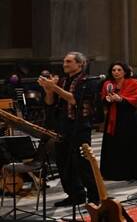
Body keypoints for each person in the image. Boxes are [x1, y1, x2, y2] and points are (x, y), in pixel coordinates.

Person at [38, 52, 100, 206]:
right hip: (62, 126)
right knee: (64, 163)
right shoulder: (62, 81)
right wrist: (49, 91)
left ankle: (95, 197)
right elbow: (50, 103)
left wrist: (54, 87)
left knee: (83, 163)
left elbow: (74, 100)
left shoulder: (88, 81)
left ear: (80, 64)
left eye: (69, 61)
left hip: (80, 127)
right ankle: (75, 195)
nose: (64, 64)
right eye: (64, 61)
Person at [99, 61, 137, 181]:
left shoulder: (132, 82)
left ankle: (130, 172)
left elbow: (136, 99)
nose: (116, 72)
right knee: (112, 145)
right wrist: (107, 100)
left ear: (125, 71)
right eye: (114, 70)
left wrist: (120, 99)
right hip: (112, 118)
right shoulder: (108, 83)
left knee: (128, 144)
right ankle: (112, 173)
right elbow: (102, 100)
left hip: (128, 118)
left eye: (119, 70)